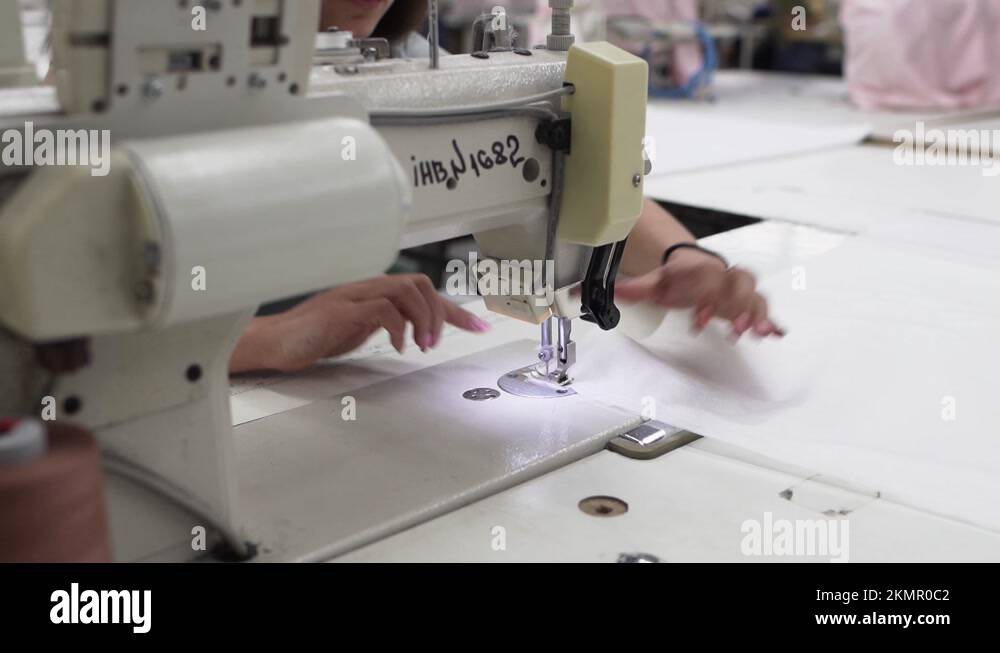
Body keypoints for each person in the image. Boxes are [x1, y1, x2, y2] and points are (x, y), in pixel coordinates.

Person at [229, 0, 781, 374]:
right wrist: (265, 339)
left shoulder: (400, 58)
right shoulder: (173, 91)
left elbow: (565, 174)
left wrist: (681, 256)